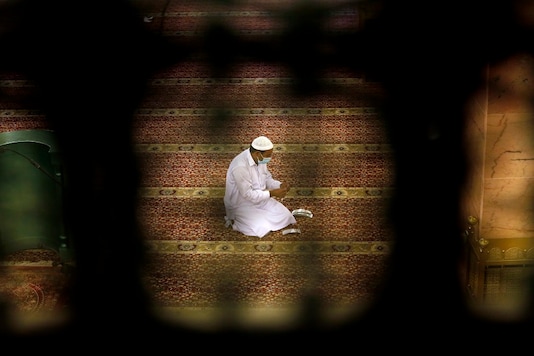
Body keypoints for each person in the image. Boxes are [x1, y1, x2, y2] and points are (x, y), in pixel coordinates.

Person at [224, 136, 297, 237]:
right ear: (258, 153)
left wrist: (279, 185)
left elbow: (267, 179)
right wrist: (272, 193)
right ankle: (238, 221)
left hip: (261, 198)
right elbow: (248, 194)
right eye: (268, 155)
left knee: (286, 216)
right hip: (241, 204)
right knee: (262, 227)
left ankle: (259, 218)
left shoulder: (259, 159)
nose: (270, 158)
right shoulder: (240, 167)